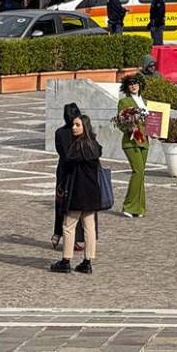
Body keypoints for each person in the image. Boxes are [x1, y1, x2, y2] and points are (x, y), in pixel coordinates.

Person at [50, 115, 104, 274]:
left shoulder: (76, 148)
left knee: (68, 226)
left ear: (84, 127)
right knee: (89, 227)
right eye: (73, 124)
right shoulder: (94, 146)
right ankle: (88, 261)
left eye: (77, 125)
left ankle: (66, 260)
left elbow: (67, 167)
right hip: (92, 192)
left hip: (77, 191)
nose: (73, 127)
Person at [52, 103, 90, 252]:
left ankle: (57, 234)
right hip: (75, 172)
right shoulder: (79, 132)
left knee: (61, 203)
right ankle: (75, 238)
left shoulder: (59, 132)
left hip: (63, 170)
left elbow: (60, 151)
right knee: (77, 206)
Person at [118, 73, 149, 218]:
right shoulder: (124, 102)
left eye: (136, 83)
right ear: (127, 87)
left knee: (141, 174)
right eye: (130, 84)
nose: (133, 86)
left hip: (144, 141)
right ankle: (128, 206)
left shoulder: (146, 101)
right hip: (131, 141)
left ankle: (140, 208)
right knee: (138, 171)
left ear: (140, 84)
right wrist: (130, 126)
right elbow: (121, 123)